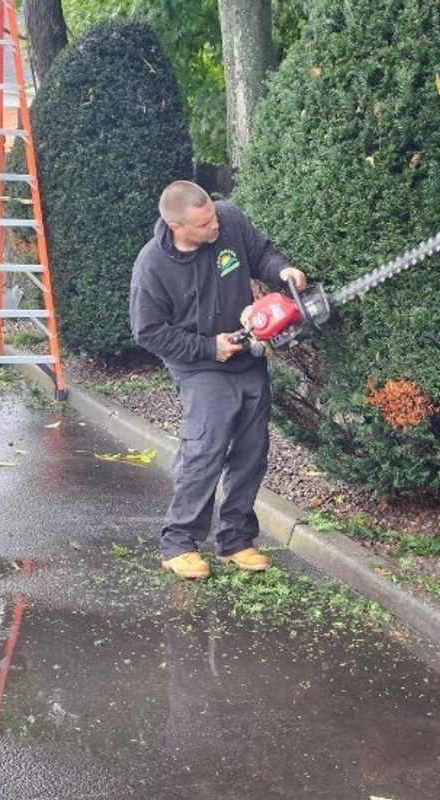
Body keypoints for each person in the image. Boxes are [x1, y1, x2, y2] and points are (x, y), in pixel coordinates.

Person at [130, 180, 306, 579]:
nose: (215, 227)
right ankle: (179, 544)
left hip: (245, 354)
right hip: (198, 365)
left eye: (213, 217)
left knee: (251, 451)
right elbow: (148, 332)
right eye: (204, 224)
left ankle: (236, 541)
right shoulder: (152, 265)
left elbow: (260, 254)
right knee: (204, 450)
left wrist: (283, 271)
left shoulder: (228, 219)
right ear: (177, 226)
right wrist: (209, 348)